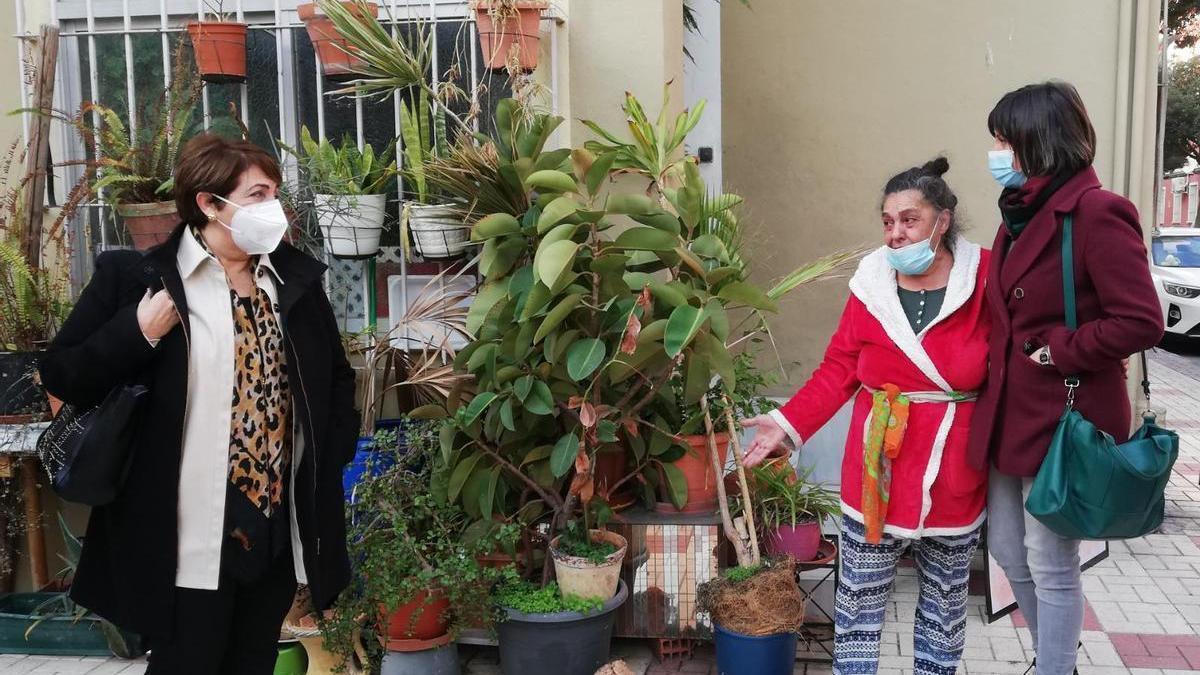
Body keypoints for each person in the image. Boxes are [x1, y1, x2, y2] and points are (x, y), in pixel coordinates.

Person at [39, 134, 358, 674]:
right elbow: (64, 373)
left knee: (253, 660)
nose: (272, 208)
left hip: (275, 520)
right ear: (209, 203)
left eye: (274, 194)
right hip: (185, 530)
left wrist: (333, 453)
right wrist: (138, 332)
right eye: (257, 195)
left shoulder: (292, 282)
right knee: (189, 661)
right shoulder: (140, 280)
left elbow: (335, 382)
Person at [742, 157, 991, 675]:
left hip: (953, 469)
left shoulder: (984, 277)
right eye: (887, 221)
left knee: (945, 607)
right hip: (876, 470)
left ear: (941, 220)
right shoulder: (872, 282)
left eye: (909, 219)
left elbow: (1011, 365)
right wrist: (787, 423)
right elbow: (839, 368)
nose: (896, 234)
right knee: (857, 606)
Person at [969, 81, 1164, 675]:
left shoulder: (1098, 212)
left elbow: (1142, 320)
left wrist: (1060, 350)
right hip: (1008, 412)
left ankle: (1056, 667)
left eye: (1005, 139)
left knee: (1051, 560)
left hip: (1064, 417)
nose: (997, 151)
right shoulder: (1017, 217)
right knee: (1006, 549)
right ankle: (1058, 654)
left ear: (1039, 141)